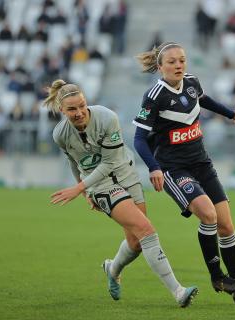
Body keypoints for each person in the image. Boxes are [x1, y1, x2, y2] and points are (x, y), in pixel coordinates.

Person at [44, 79, 198, 307]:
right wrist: (85, 189)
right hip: (101, 186)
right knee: (146, 230)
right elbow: (74, 161)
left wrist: (78, 189)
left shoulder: (107, 118)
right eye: (71, 109)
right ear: (61, 110)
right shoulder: (60, 134)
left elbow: (108, 163)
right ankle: (178, 291)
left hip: (125, 173)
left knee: (135, 242)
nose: (79, 113)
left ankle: (112, 268)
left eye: (81, 106)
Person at [132, 42, 235, 306]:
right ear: (160, 67)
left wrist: (231, 114)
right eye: (172, 61)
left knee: (227, 225)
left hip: (201, 163)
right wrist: (154, 167)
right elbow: (138, 139)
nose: (179, 65)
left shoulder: (192, 82)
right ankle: (217, 276)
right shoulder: (154, 95)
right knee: (208, 214)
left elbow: (203, 100)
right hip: (173, 168)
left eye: (182, 60)